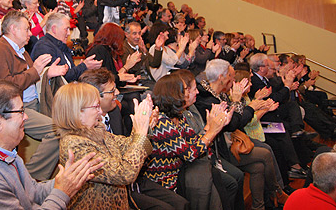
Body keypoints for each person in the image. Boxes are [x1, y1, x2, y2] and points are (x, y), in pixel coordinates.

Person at [0, 79, 103, 209]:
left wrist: (65, 180)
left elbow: (33, 192)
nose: (26, 117)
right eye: (20, 111)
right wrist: (62, 191)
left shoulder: (6, 153)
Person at [79, 68, 190, 210]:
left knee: (182, 204)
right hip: (113, 190)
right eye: (112, 91)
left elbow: (126, 146)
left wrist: (147, 127)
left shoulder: (113, 113)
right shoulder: (85, 132)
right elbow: (122, 171)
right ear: (95, 96)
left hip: (133, 179)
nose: (117, 93)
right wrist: (141, 131)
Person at [195, 59, 289, 209]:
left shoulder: (219, 94)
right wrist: (248, 105)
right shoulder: (207, 99)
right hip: (222, 150)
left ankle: (260, 206)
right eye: (231, 77)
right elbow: (233, 124)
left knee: (258, 167)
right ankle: (277, 192)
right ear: (221, 77)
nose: (233, 81)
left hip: (230, 142)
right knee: (265, 153)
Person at [0, 10, 68, 181]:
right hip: (17, 108)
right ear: (13, 29)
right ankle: (30, 179)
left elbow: (32, 77)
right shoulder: (0, 49)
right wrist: (36, 71)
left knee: (71, 121)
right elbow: (7, 85)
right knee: (57, 130)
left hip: (35, 102)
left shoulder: (21, 50)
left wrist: (46, 72)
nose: (30, 33)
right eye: (26, 29)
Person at [52, 81, 154, 209]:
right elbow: (124, 173)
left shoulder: (96, 131)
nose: (100, 111)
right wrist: (140, 131)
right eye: (96, 107)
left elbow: (127, 146)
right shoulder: (73, 145)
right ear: (77, 112)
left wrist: (144, 126)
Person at [146, 73, 231, 210]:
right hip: (167, 181)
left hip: (181, 171)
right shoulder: (161, 122)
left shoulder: (178, 116)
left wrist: (209, 127)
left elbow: (194, 143)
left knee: (211, 176)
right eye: (185, 89)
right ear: (174, 93)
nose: (192, 92)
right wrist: (212, 131)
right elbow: (190, 154)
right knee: (206, 178)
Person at [31, 13, 102, 82]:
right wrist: (84, 66)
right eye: (66, 29)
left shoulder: (60, 45)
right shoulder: (43, 47)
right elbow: (61, 77)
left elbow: (70, 72)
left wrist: (81, 67)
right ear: (54, 29)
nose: (68, 33)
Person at [122, 21, 166, 88]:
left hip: (148, 80)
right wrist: (142, 53)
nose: (138, 36)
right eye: (134, 34)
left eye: (139, 33)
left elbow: (155, 64)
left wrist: (156, 47)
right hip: (135, 82)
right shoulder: (123, 48)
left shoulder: (140, 46)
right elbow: (132, 69)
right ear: (127, 34)